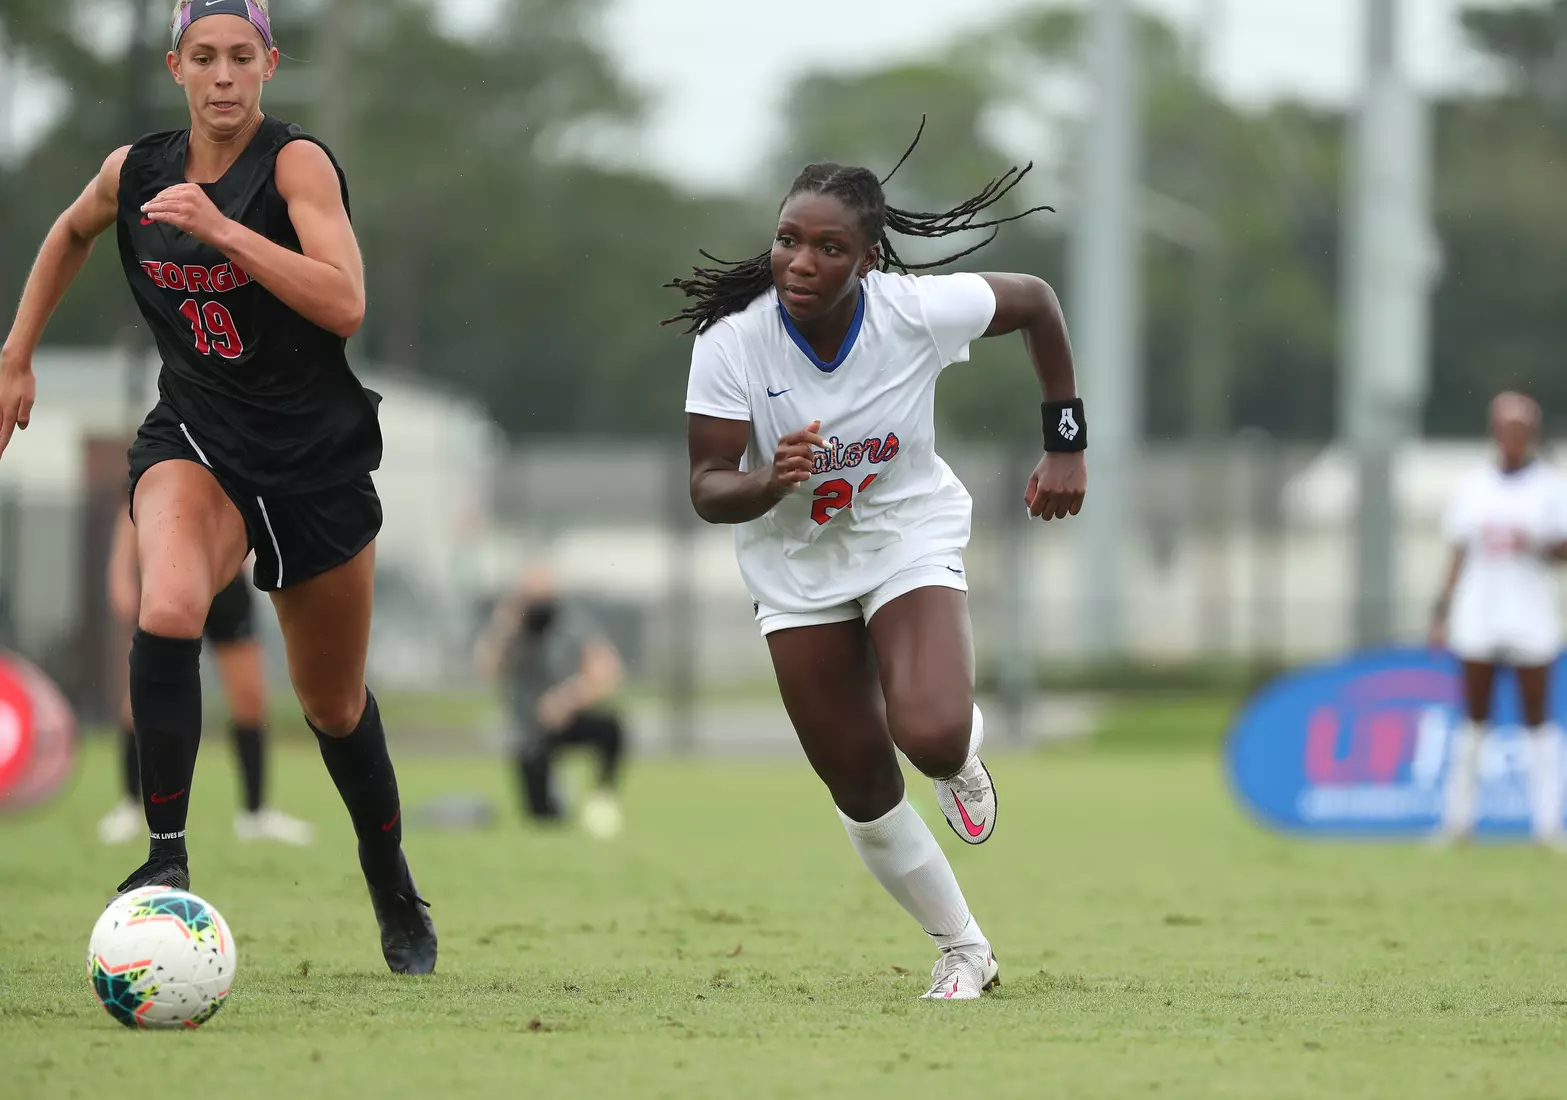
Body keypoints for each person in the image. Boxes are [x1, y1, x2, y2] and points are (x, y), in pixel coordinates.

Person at [0, 0, 435, 973]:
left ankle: (390, 880)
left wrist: (225, 232)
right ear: (177, 67)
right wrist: (15, 353)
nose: (225, 74)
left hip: (313, 462)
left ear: (270, 64)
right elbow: (72, 231)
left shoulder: (295, 166)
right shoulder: (137, 169)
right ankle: (165, 860)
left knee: (331, 704)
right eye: (206, 56)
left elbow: (346, 301)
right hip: (197, 436)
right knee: (167, 602)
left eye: (243, 55)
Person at [668, 131, 1087, 1000]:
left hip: (905, 533)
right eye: (789, 238)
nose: (801, 261)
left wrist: (1065, 446)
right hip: (792, 567)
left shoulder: (912, 311)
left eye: (828, 247)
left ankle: (957, 754)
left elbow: (1039, 302)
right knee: (859, 782)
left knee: (928, 734)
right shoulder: (731, 344)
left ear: (867, 258)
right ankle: (964, 948)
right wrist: (765, 480)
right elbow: (708, 489)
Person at [99, 510, 313, 846]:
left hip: (227, 584)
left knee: (250, 699)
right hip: (170, 577)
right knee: (141, 696)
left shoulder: (247, 457)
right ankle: (129, 806)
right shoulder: (160, 460)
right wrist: (120, 573)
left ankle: (255, 814)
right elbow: (132, 505)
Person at [1432, 391, 1567, 846]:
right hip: (1480, 612)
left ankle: (1547, 826)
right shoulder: (1473, 486)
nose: (1511, 439)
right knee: (1474, 717)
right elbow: (1457, 551)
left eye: (1520, 431)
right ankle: (1457, 824)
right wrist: (1441, 611)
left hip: (1530, 612)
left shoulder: (1551, 487)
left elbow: (1563, 551)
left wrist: (1539, 542)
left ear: (1531, 435)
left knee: (1537, 717)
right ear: (1494, 433)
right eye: (1504, 429)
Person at [474, 563, 628, 839]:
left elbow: (607, 668)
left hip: (565, 719)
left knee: (611, 727)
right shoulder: (510, 625)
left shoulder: (571, 620)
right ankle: (554, 795)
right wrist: (504, 626)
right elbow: (487, 668)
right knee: (544, 820)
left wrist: (567, 698)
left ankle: (602, 796)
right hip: (528, 733)